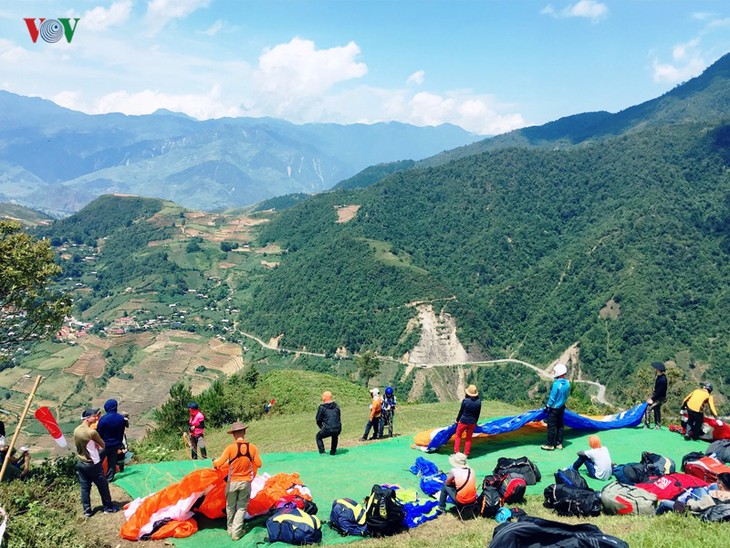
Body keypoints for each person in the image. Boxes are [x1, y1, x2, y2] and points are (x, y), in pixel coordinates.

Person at [212, 421, 262, 541]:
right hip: (245, 482)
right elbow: (259, 464)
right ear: (244, 432)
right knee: (241, 507)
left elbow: (218, 463)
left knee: (230, 505)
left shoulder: (230, 448)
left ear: (234, 435)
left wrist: (214, 462)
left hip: (232, 482)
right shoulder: (252, 448)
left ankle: (230, 529)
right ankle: (237, 531)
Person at [73, 408, 118, 517]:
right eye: (94, 416)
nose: (97, 417)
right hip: (93, 463)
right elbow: (103, 445)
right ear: (88, 419)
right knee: (103, 485)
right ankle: (108, 507)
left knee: (85, 487)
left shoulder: (77, 430)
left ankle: (87, 510)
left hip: (81, 461)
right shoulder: (92, 432)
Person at [542, 363, 571, 451]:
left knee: (551, 426)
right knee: (560, 425)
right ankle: (559, 443)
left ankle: (550, 444)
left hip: (554, 408)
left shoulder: (556, 384)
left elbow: (552, 398)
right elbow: (566, 396)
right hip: (562, 407)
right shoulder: (567, 383)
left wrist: (548, 406)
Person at [96, 398, 126, 482]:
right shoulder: (121, 418)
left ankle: (98, 477)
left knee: (97, 461)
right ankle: (110, 479)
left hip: (104, 444)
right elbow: (121, 432)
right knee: (112, 462)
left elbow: (99, 432)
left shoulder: (103, 419)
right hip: (116, 444)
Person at [454, 384, 481, 456]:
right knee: (468, 438)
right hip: (472, 422)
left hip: (463, 421)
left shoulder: (465, 401)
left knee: (458, 435)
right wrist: (475, 422)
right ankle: (466, 453)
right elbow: (477, 414)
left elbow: (461, 412)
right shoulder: (479, 402)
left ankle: (456, 452)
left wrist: (457, 420)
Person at [315, 391, 342, 455]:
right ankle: (333, 451)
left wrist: (321, 427)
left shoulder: (322, 407)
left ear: (324, 398)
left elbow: (318, 419)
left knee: (318, 437)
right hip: (338, 428)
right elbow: (338, 416)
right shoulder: (336, 406)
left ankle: (322, 452)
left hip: (327, 429)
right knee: (335, 436)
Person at [644, 361, 668, 429]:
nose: (655, 370)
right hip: (658, 397)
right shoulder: (659, 377)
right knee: (656, 409)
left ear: (658, 370)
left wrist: (652, 399)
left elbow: (659, 392)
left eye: (656, 369)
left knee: (648, 408)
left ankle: (647, 424)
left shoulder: (663, 379)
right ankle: (658, 424)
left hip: (660, 398)